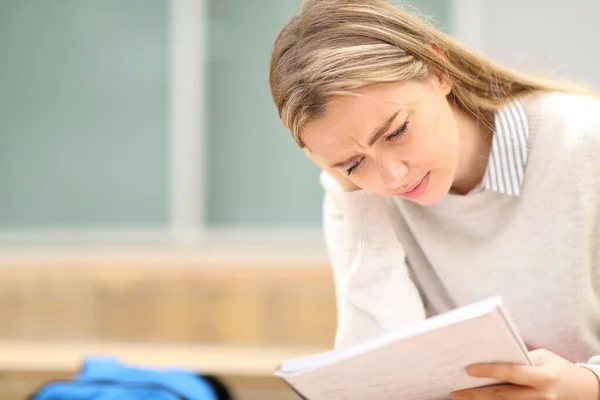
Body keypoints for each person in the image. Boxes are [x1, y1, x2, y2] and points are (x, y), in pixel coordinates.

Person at [269, 0, 600, 398]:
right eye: (353, 163)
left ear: (436, 69)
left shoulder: (584, 142)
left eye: (396, 132)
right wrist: (357, 202)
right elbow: (379, 378)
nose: (393, 176)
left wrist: (588, 385)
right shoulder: (358, 194)